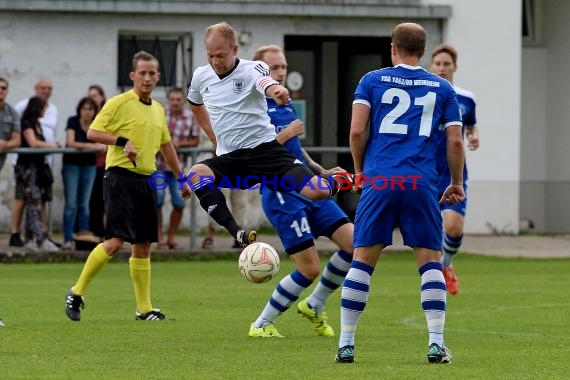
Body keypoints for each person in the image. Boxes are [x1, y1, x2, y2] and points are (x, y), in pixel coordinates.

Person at [335, 23, 465, 364]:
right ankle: (436, 342)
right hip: (421, 183)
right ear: (424, 51)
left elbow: (357, 130)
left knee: (362, 261)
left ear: (393, 47)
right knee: (430, 263)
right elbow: (454, 140)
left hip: (380, 180)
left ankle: (346, 343)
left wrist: (361, 171)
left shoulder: (371, 81)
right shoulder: (442, 88)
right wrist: (456, 181)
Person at [185, 22, 342, 248]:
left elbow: (267, 83)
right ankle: (237, 233)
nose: (215, 61)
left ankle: (336, 181)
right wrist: (213, 137)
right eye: (210, 55)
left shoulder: (253, 68)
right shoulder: (201, 76)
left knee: (315, 191)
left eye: (220, 55)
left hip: (266, 152)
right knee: (196, 174)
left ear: (235, 50)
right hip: (233, 158)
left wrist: (277, 91)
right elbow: (196, 105)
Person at [64, 51, 191, 322]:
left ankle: (144, 309)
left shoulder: (158, 109)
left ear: (158, 77)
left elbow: (167, 146)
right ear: (132, 76)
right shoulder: (118, 103)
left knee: (143, 245)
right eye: (141, 73)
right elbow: (92, 132)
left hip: (146, 180)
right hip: (120, 177)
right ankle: (76, 291)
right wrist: (122, 141)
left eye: (151, 73)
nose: (147, 78)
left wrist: (181, 178)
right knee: (115, 241)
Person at [247, 45, 354, 338]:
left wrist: (320, 170)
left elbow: (295, 149)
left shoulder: (284, 102)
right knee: (309, 269)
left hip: (305, 182)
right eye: (273, 68)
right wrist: (285, 134)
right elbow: (252, 153)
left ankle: (315, 304)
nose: (280, 72)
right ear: (259, 73)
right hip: (281, 192)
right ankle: (261, 324)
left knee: (354, 245)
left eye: (283, 67)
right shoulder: (252, 106)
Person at [430, 43, 480, 295]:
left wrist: (473, 137)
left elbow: (470, 125)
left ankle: (446, 265)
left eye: (446, 64)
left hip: (453, 174)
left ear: (454, 67)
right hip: (425, 172)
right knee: (425, 233)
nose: (441, 68)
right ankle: (431, 281)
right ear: (431, 66)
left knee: (453, 227)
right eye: (437, 63)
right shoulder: (425, 95)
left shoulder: (466, 98)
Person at [10, 77, 59, 247]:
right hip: (26, 168)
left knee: (37, 201)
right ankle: (37, 237)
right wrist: (52, 145)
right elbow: (33, 143)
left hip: (38, 167)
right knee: (31, 201)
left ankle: (34, 237)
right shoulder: (27, 122)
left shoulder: (38, 123)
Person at [156, 87, 200, 249]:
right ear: (168, 100)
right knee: (157, 201)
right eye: (172, 99)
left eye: (178, 100)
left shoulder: (191, 117)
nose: (175, 102)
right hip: (159, 166)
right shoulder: (160, 115)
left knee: (179, 203)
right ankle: (159, 236)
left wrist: (180, 144)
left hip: (180, 169)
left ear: (184, 101)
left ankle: (171, 237)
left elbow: (196, 140)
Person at [61, 97, 104, 250]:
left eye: (91, 109)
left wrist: (94, 147)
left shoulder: (96, 124)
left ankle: (84, 240)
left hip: (89, 166)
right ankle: (67, 238)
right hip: (72, 165)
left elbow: (102, 143)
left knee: (85, 204)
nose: (88, 112)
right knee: (71, 203)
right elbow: (70, 142)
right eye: (85, 108)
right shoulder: (72, 121)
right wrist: (91, 146)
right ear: (79, 110)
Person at [87, 84, 108, 238]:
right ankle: (96, 233)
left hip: (107, 164)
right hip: (91, 164)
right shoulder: (88, 116)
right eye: (90, 96)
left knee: (106, 201)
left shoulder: (108, 115)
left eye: (95, 95)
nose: (92, 99)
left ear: (101, 97)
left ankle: (109, 234)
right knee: (94, 201)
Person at [0, 77, 21, 175]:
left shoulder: (12, 113)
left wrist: (5, 144)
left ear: (7, 91)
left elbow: (17, 140)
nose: (1, 90)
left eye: (3, 88)